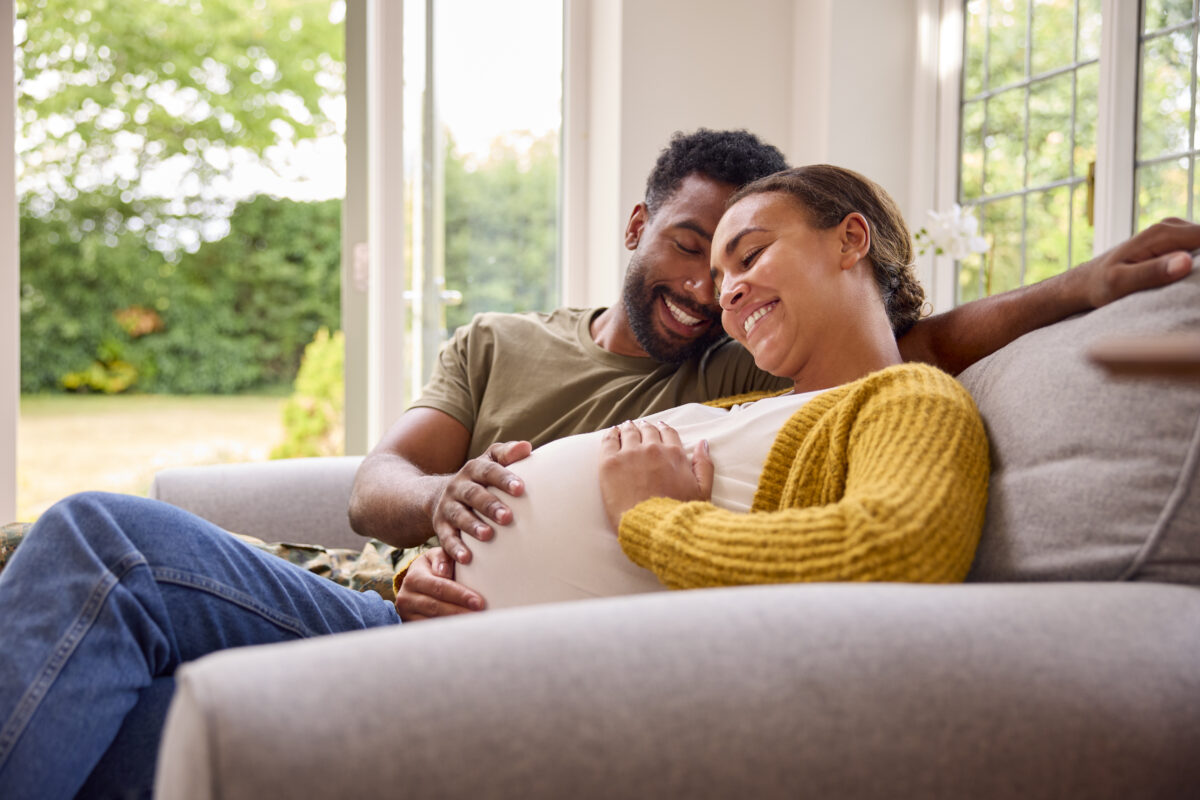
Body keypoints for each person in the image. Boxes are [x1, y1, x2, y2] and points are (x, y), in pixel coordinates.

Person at [0, 130, 1196, 797]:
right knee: (124, 705)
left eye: (745, 256)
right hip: (389, 596)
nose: (716, 287)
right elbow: (380, 481)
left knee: (96, 544)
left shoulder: (768, 381)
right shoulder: (509, 341)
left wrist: (1081, 287)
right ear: (638, 229)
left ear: (846, 242)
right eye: (700, 247)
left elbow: (904, 374)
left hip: (459, 648)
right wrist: (435, 511)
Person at [423, 164, 989, 614]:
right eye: (723, 282)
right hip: (428, 621)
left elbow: (903, 550)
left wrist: (656, 520)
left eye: (750, 256)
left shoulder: (909, 399)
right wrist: (432, 573)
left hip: (496, 671)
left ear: (850, 240)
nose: (725, 295)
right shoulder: (748, 404)